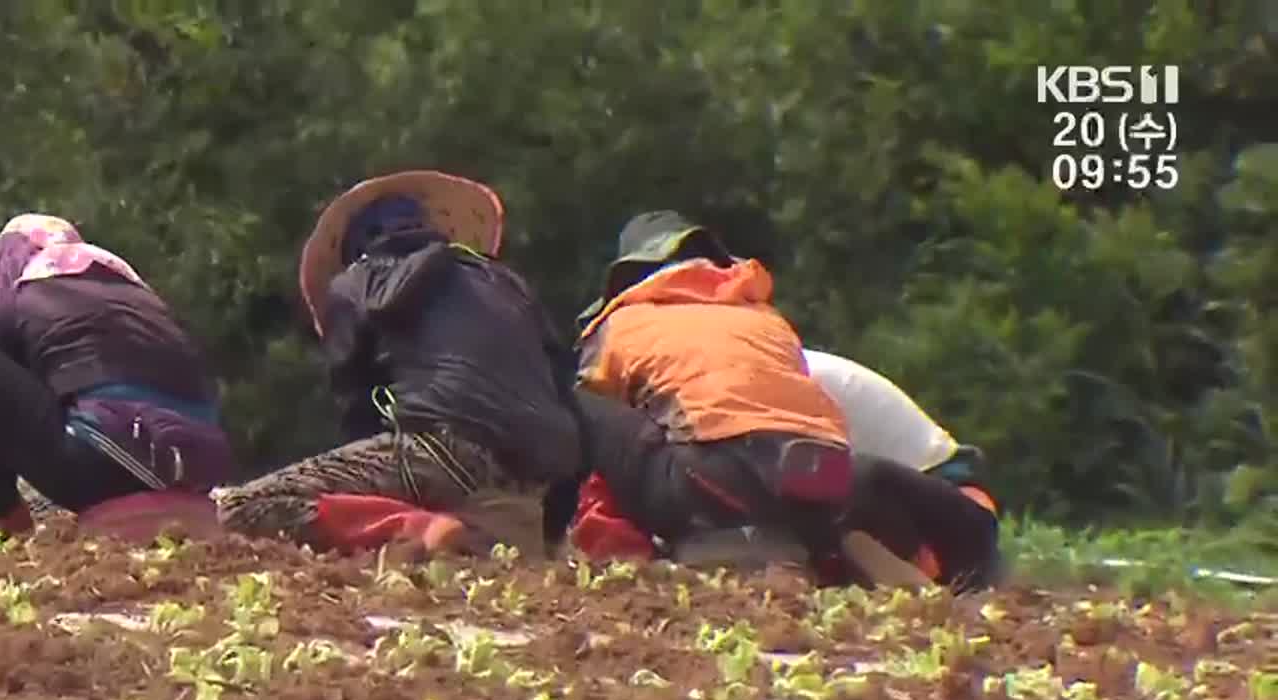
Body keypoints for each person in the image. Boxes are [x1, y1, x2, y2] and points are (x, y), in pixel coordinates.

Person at [214, 171, 586, 557]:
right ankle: (479, 537)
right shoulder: (506, 282)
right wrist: (554, 528)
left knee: (240, 508)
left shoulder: (354, 283)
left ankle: (415, 526)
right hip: (532, 474)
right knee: (489, 555)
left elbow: (358, 411)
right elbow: (565, 392)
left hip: (442, 449)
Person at [569, 211, 920, 583]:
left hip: (708, 479)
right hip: (822, 482)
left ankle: (620, 556)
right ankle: (819, 550)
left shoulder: (623, 322)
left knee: (582, 405)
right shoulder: (769, 319)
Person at [0, 214, 233, 536]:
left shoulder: (18, 302)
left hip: (107, 464)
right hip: (199, 469)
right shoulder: (145, 300)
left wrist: (9, 517)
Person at [803, 349, 1004, 592]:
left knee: (839, 478)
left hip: (956, 515)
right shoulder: (769, 370)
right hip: (892, 509)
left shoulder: (795, 380)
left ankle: (927, 586)